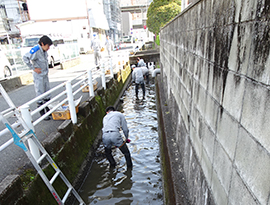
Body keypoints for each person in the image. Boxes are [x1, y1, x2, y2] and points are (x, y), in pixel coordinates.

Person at [23, 35, 53, 120]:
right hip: (39, 75)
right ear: (42, 44)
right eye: (48, 45)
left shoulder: (44, 51)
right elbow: (25, 57)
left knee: (47, 92)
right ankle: (42, 112)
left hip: (45, 74)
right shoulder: (36, 49)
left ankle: (48, 110)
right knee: (40, 93)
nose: (48, 48)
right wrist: (33, 68)